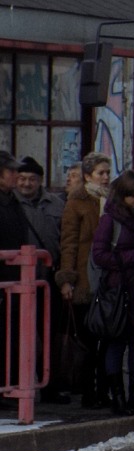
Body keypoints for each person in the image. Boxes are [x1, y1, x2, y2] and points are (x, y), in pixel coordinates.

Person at [55, 151, 112, 408]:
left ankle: (105, 391)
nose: (106, 177)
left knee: (107, 339)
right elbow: (68, 243)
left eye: (108, 172)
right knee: (88, 340)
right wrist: (67, 279)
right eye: (101, 173)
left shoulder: (111, 200)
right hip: (85, 278)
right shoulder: (76, 202)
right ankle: (89, 392)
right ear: (88, 176)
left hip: (107, 277)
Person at [91, 170, 134, 416]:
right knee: (116, 342)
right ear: (122, 196)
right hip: (118, 290)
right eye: (133, 196)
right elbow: (99, 255)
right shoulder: (110, 220)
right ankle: (118, 398)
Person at [15, 156, 70, 404]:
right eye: (22, 179)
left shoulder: (56, 205)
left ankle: (50, 386)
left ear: (40, 181)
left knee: (50, 336)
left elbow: (65, 239)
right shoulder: (10, 204)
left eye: (31, 179)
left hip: (49, 281)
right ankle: (18, 385)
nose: (26, 184)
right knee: (17, 335)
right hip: (18, 281)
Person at [0, 150, 31, 404]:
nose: (16, 175)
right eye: (11, 171)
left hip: (15, 281)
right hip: (4, 279)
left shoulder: (12, 201)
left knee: (11, 336)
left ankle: (8, 387)